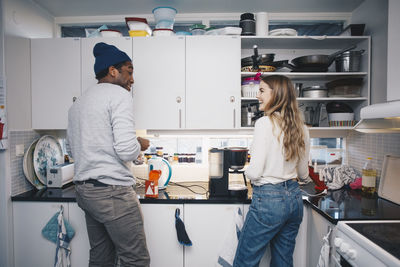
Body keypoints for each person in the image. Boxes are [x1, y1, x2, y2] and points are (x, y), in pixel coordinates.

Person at [66, 42, 150, 267]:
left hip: (85, 192)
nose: (132, 79)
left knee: (101, 258)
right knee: (136, 260)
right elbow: (125, 149)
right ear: (113, 71)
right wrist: (140, 144)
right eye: (129, 71)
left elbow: (71, 149)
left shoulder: (78, 103)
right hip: (112, 193)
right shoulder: (119, 95)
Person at [233, 75, 310, 267]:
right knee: (283, 261)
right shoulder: (302, 128)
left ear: (277, 95)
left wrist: (245, 171)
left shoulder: (264, 123)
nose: (257, 96)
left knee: (245, 261)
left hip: (268, 200)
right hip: (294, 200)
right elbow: (303, 174)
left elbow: (255, 172)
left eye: (261, 91)